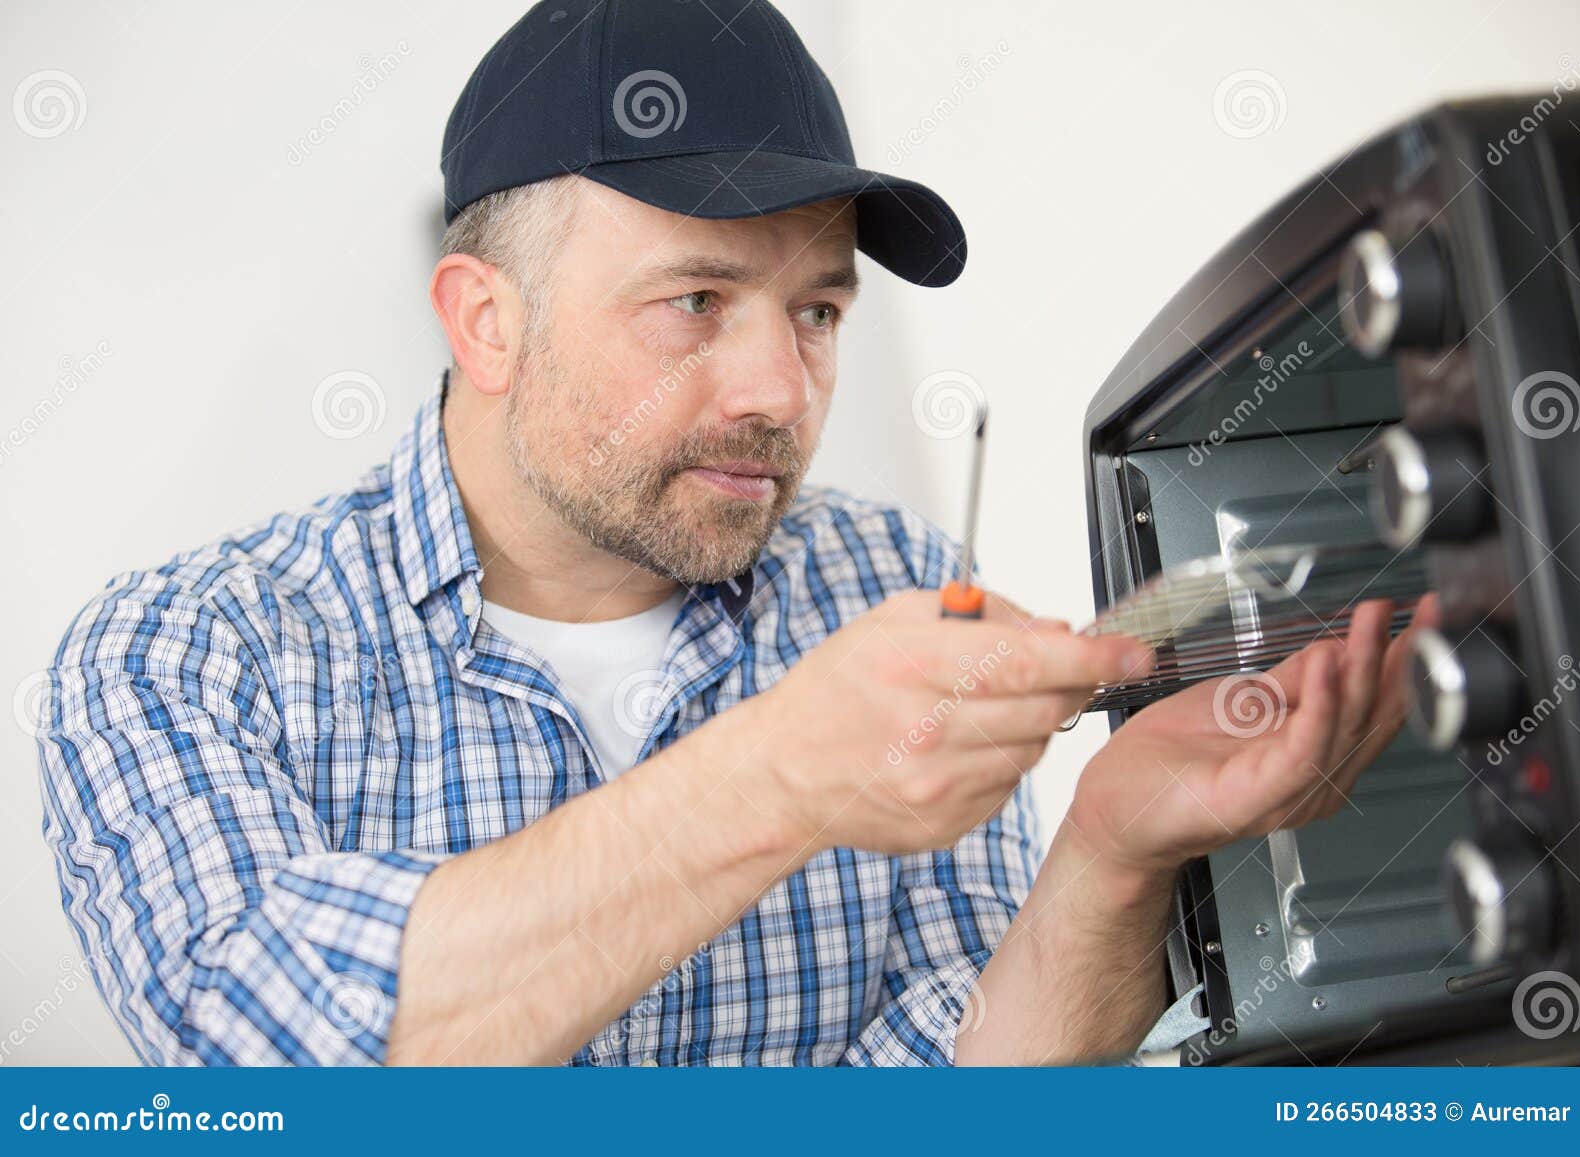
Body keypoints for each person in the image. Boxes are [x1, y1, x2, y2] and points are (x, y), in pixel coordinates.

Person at [33, 0, 1425, 1067]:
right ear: (483, 319)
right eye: (695, 299)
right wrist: (781, 776)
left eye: (816, 310)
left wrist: (1114, 855)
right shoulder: (185, 650)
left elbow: (960, 1083)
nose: (778, 392)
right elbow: (262, 1062)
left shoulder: (895, 584)